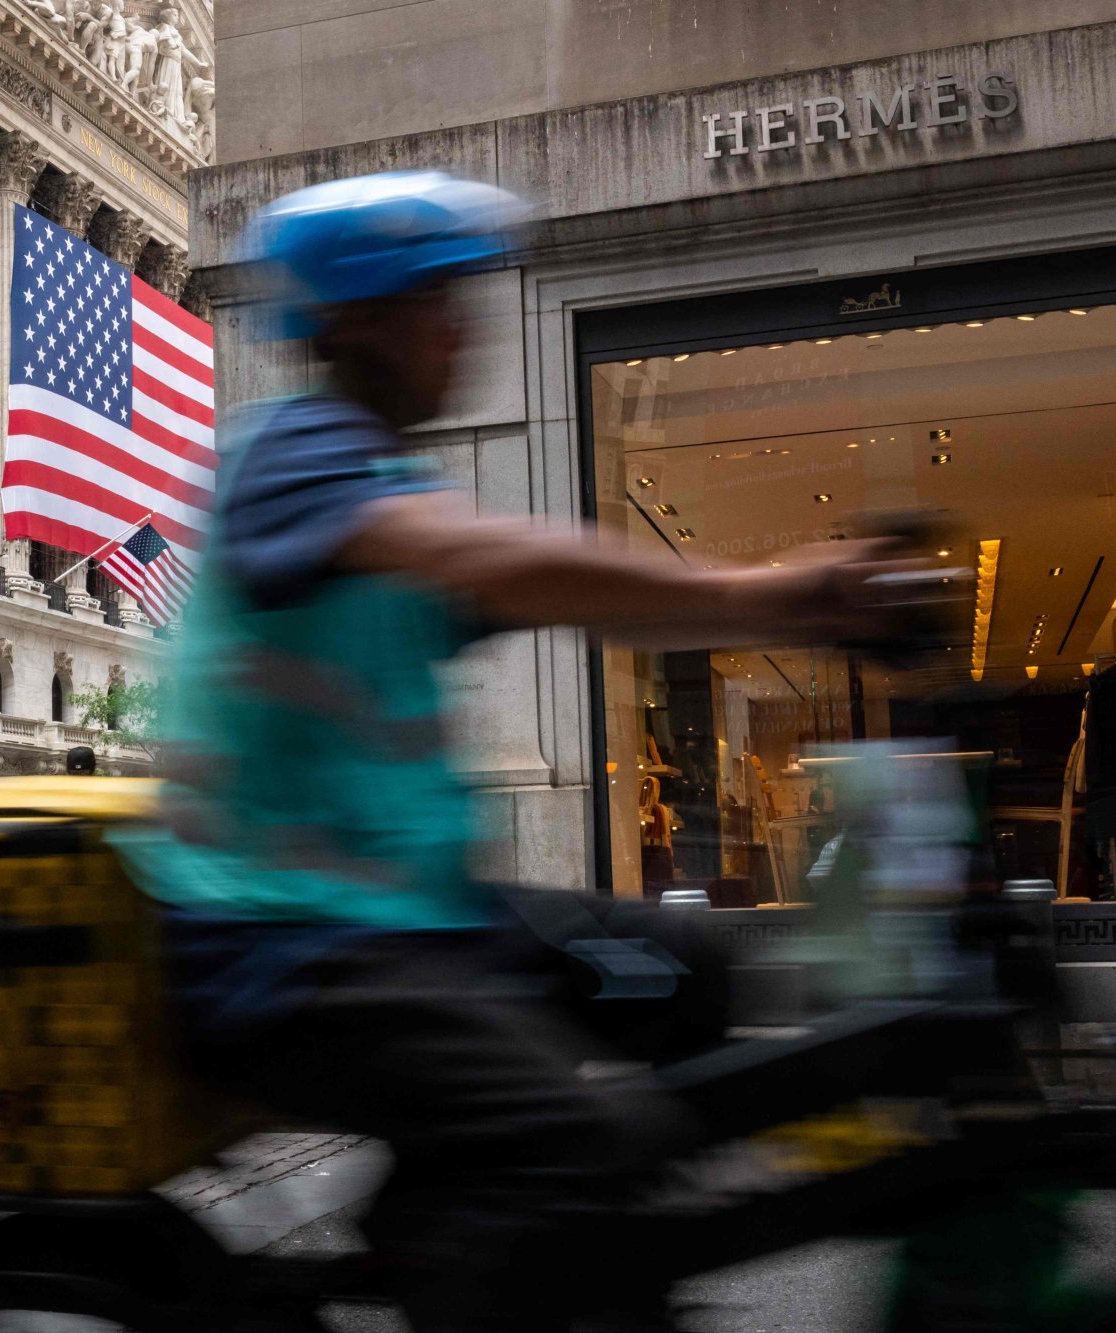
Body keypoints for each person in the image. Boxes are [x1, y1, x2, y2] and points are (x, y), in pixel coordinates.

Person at [111, 171, 931, 1332]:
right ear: (358, 321)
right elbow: (483, 557)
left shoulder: (380, 483)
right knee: (577, 1139)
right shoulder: (289, 457)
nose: (465, 330)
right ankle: (500, 1251)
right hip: (276, 949)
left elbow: (589, 601)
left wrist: (788, 608)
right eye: (436, 302)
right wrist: (772, 589)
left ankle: (472, 1223)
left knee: (687, 967)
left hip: (408, 924)